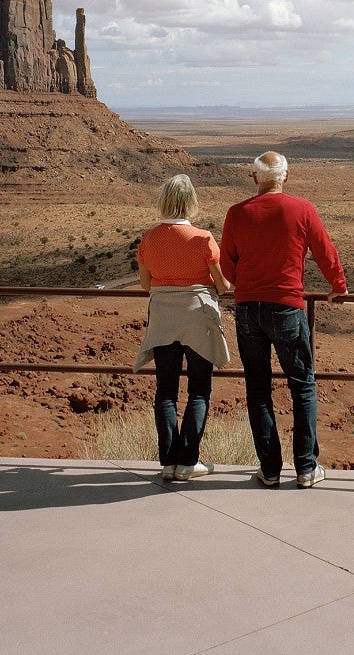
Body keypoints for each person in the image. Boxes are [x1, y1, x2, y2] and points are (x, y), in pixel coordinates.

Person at [221, 151, 345, 488]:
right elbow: (324, 249)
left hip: (248, 310)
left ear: (254, 178)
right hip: (287, 308)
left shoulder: (236, 213)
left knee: (258, 389)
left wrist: (245, 283)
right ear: (286, 177)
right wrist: (338, 285)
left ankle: (270, 470)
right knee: (302, 385)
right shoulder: (302, 209)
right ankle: (305, 468)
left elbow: (227, 265)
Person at [132, 174, 231, 482]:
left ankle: (168, 462)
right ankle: (188, 462)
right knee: (199, 389)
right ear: (191, 203)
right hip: (197, 317)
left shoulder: (149, 239)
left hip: (163, 317)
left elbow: (146, 284)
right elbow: (223, 285)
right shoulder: (203, 238)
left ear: (164, 201)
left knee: (165, 391)